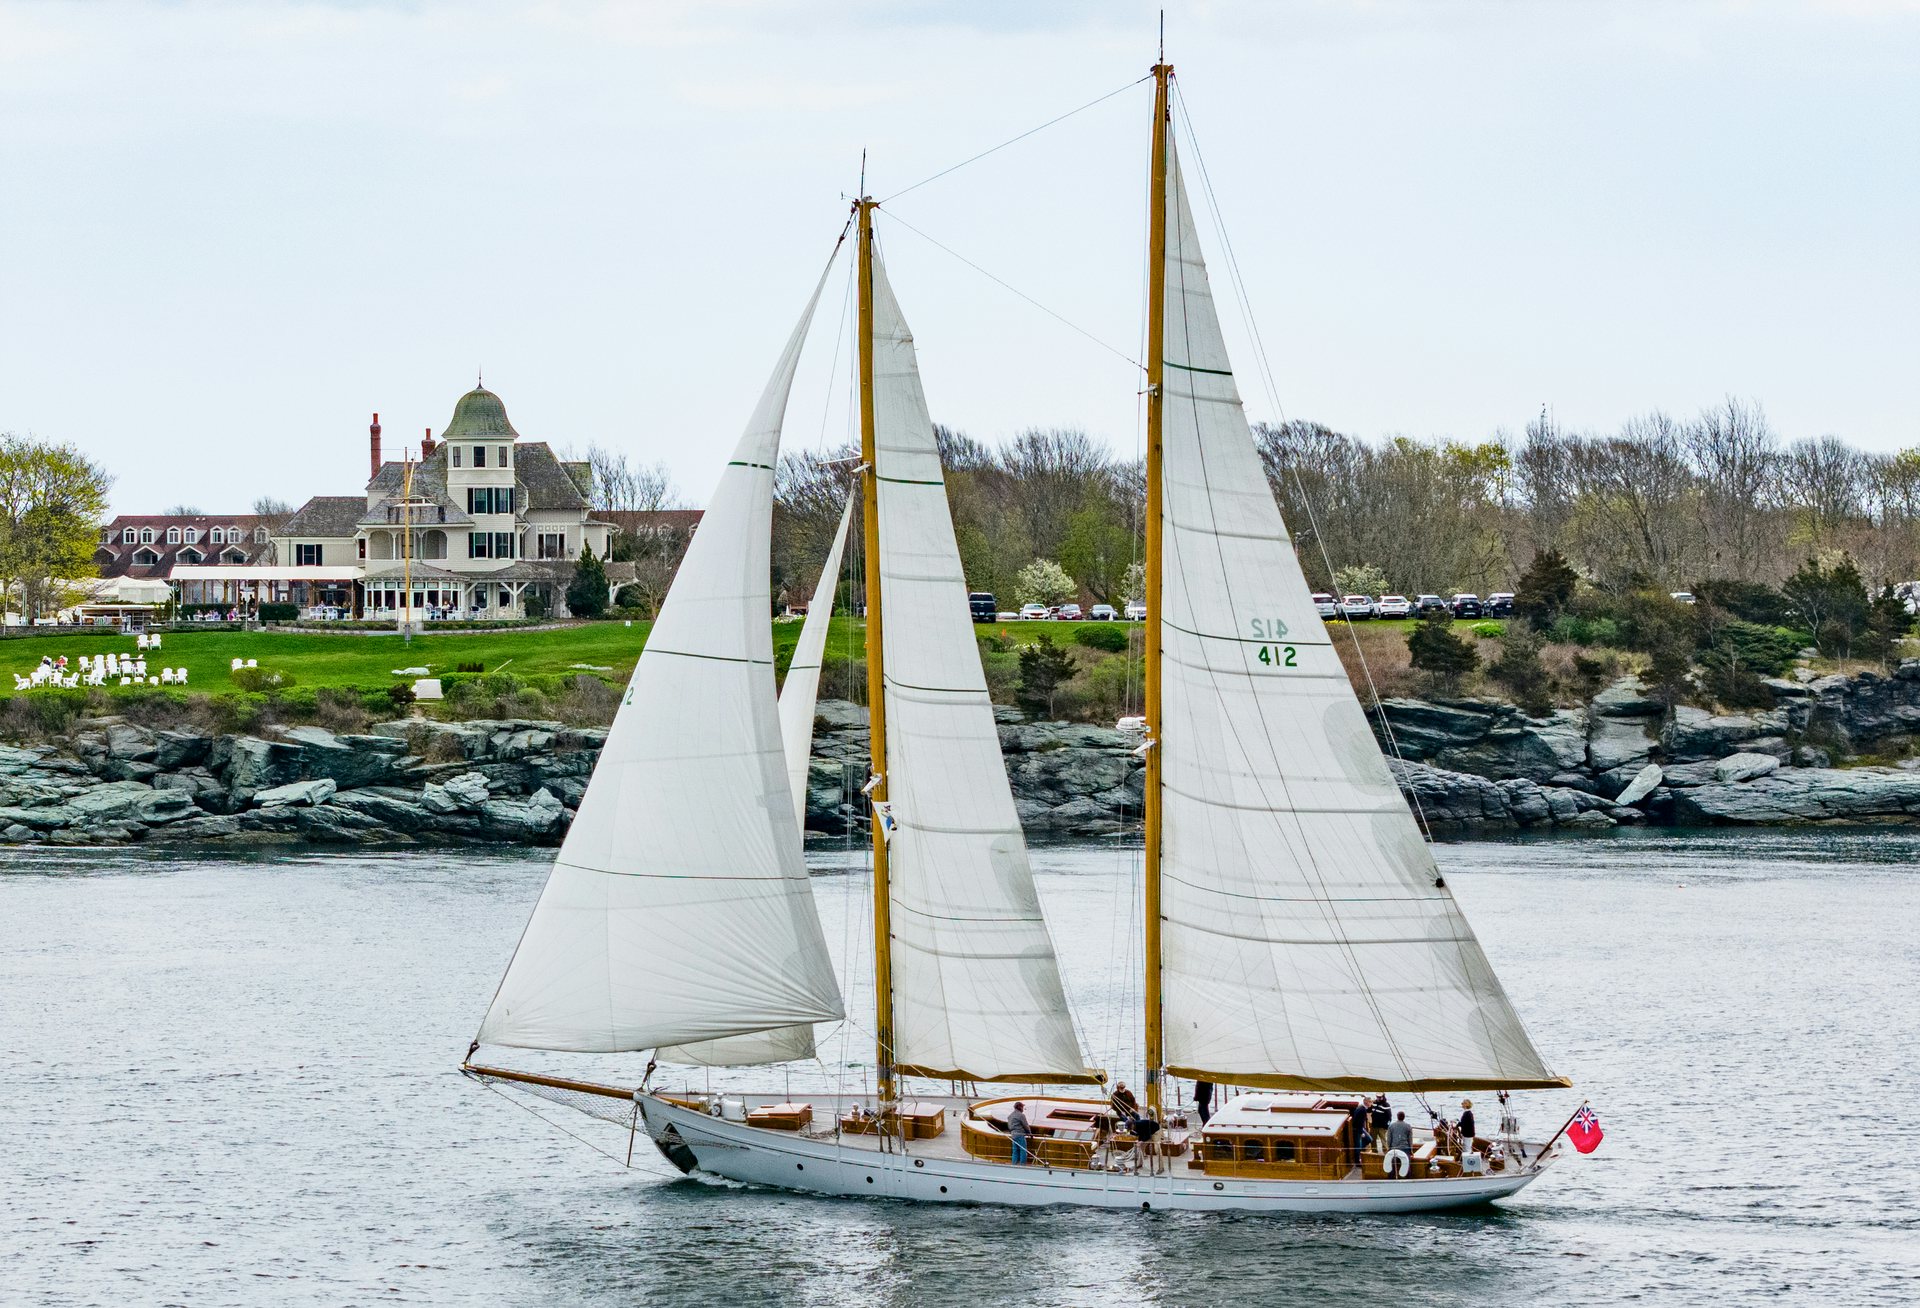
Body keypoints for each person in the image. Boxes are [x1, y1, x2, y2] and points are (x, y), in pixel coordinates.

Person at [1385, 1110, 1415, 1179]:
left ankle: (1391, 1179)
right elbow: (1410, 1140)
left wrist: (1388, 1149)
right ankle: (1408, 1179)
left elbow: (1389, 1139)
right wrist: (1411, 1150)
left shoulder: (1391, 1126)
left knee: (1392, 1165)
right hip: (1405, 1149)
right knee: (1407, 1165)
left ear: (1397, 1117)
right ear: (1404, 1117)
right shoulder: (1408, 1126)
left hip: (1394, 1149)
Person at [1007, 1101, 1031, 1166]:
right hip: (1020, 1135)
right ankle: (1022, 1165)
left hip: (1013, 1135)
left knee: (1015, 1151)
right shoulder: (1021, 1115)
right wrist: (1030, 1133)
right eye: (1022, 1107)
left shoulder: (1010, 1116)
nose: (1023, 1109)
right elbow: (1026, 1125)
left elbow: (1009, 1127)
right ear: (1020, 1107)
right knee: (1023, 1150)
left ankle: (1014, 1164)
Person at [1347, 1099, 1369, 1170]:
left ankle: (1360, 1153)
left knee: (1368, 1139)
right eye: (1370, 1102)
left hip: (1358, 1128)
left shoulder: (1360, 1108)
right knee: (1358, 1145)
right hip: (1358, 1129)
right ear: (1367, 1102)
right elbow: (1360, 1122)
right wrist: (1361, 1132)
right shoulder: (1363, 1110)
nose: (1372, 1103)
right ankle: (1357, 1161)